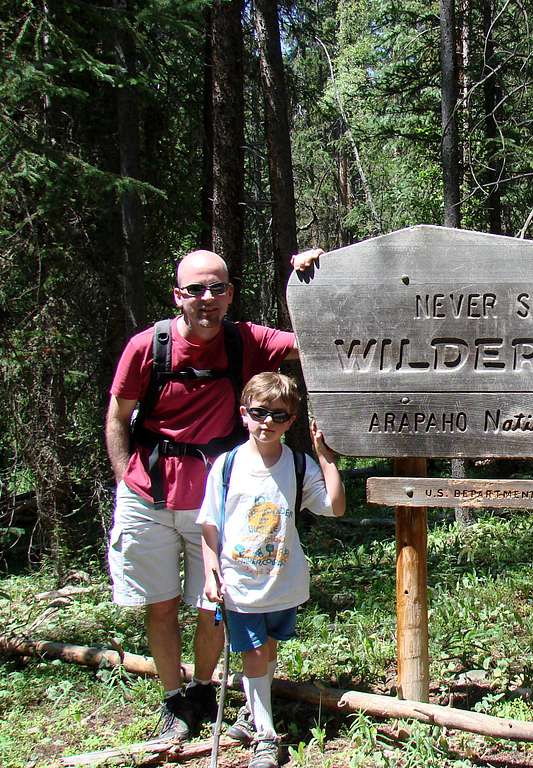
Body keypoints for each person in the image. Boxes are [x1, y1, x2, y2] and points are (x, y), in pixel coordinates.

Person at [105, 248, 319, 741]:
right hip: (148, 495)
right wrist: (124, 481)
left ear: (230, 293)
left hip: (217, 504)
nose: (207, 298)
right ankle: (173, 700)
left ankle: (202, 687)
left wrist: (310, 280)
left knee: (216, 605)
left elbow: (315, 341)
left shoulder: (246, 341)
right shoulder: (147, 347)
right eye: (196, 289)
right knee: (160, 604)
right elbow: (119, 418)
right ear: (178, 295)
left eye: (217, 288)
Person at [199, 373, 345, 768]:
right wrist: (211, 570)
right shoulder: (227, 466)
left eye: (278, 416)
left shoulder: (298, 465)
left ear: (291, 420)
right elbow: (210, 523)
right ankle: (265, 735)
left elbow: (334, 506)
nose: (267, 422)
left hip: (283, 580)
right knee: (254, 651)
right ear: (244, 413)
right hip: (239, 582)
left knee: (269, 648)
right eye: (259, 413)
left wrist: (325, 456)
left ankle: (251, 710)